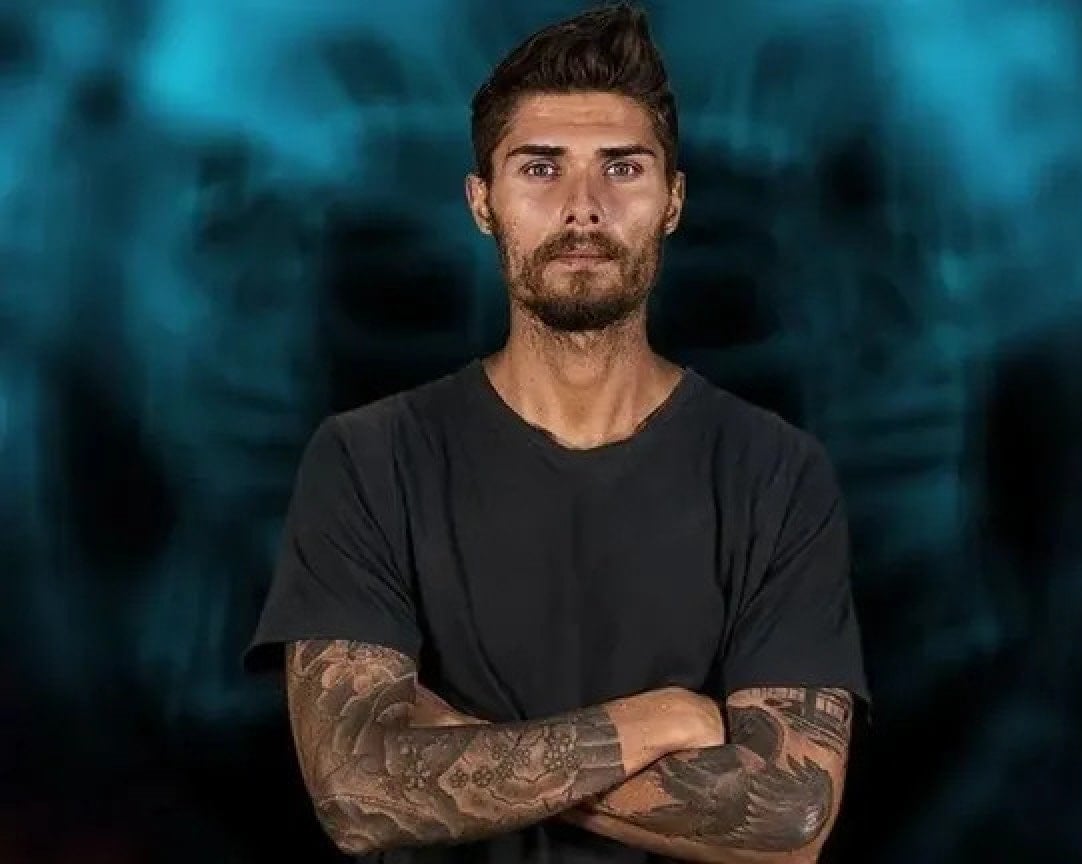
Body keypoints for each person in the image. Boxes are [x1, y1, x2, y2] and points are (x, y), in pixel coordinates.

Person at [243, 4, 870, 862]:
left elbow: (788, 819)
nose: (583, 208)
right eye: (540, 168)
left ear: (674, 199)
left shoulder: (776, 472)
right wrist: (660, 720)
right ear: (482, 202)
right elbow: (356, 796)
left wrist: (446, 746)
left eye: (623, 168)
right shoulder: (367, 460)